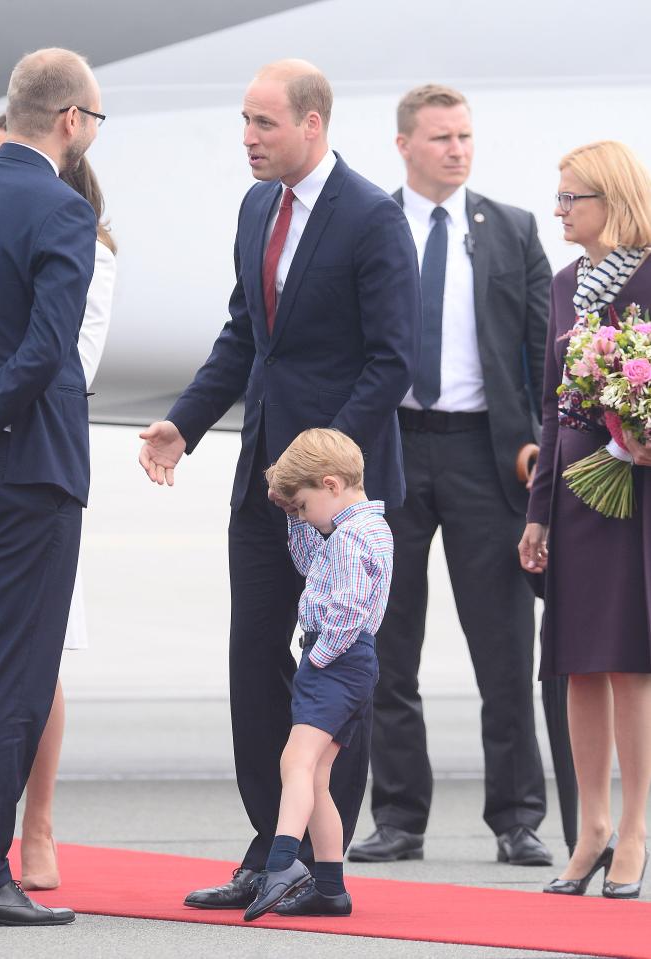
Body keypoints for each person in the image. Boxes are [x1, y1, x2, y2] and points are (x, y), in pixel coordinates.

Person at [139, 58, 421, 911]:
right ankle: (271, 847)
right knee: (253, 663)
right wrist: (183, 422)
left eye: (264, 123)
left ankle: (322, 870)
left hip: (334, 499)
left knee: (332, 667)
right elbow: (242, 336)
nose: (248, 139)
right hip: (259, 485)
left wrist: (314, 466)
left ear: (312, 123)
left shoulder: (372, 218)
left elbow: (389, 361)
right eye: (244, 121)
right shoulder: (257, 206)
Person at [349, 84, 553, 867]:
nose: (457, 149)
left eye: (464, 136)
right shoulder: (370, 223)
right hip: (392, 445)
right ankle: (398, 816)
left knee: (502, 645)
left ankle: (516, 817)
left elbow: (540, 352)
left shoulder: (509, 229)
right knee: (388, 644)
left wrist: (539, 449)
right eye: (440, 137)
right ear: (404, 144)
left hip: (483, 454)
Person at [0, 48, 102, 926]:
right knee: (14, 674)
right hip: (27, 469)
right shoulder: (60, 210)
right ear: (70, 122)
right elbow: (47, 349)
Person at [520, 140, 651, 900]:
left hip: (634, 492)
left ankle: (634, 827)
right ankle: (590, 827)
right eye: (559, 196)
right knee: (574, 663)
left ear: (612, 199)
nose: (560, 210)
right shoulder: (565, 282)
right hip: (572, 489)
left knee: (629, 662)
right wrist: (536, 513)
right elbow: (551, 401)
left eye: (572, 197)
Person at [241, 428, 392, 920]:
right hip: (347, 661)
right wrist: (294, 517)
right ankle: (330, 887)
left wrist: (320, 657)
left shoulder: (350, 537)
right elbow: (310, 565)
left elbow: (348, 609)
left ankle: (283, 861)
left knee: (295, 761)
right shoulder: (357, 528)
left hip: (336, 660)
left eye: (303, 506)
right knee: (319, 775)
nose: (302, 514)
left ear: (330, 484)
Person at [20, 155, 117, 891]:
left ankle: (39, 825)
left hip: (37, 457)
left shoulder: (90, 247)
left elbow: (72, 364)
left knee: (38, 656)